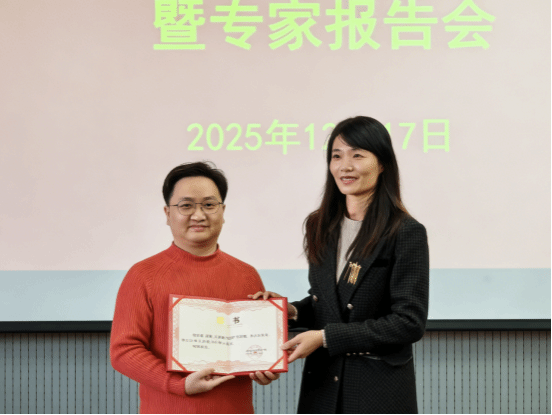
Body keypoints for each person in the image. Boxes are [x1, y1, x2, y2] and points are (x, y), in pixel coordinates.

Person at [250, 116, 429, 414]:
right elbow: (327, 301)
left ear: (382, 164)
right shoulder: (319, 225)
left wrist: (325, 337)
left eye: (357, 155)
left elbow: (409, 322)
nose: (345, 166)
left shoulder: (405, 231)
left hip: (376, 392)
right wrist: (289, 311)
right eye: (336, 156)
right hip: (322, 387)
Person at [110, 161, 279, 414]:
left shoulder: (247, 275)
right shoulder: (143, 275)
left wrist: (266, 365)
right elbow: (124, 351)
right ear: (167, 213)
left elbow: (253, 350)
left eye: (209, 205)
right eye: (186, 205)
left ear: (223, 211)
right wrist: (178, 384)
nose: (198, 215)